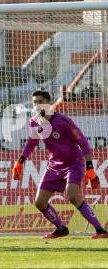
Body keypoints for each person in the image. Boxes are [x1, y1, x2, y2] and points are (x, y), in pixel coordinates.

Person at [13, 89, 108, 239]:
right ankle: (61, 229)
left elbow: (83, 143)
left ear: (49, 103)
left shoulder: (63, 121)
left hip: (73, 164)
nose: (37, 106)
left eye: (40, 102)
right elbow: (32, 143)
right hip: (54, 166)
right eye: (34, 103)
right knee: (39, 202)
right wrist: (20, 162)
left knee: (72, 196)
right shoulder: (34, 122)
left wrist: (90, 168)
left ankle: (101, 230)